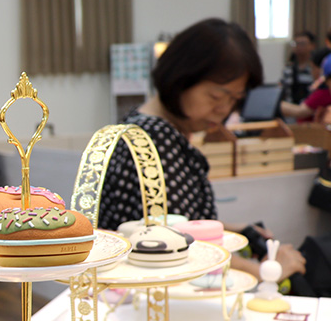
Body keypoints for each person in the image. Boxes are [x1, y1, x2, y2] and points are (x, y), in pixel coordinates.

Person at [99, 18, 306, 282]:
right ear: (180, 78)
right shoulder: (155, 139)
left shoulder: (144, 125)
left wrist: (236, 230)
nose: (224, 109)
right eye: (216, 97)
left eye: (234, 99)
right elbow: (174, 245)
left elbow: (172, 222)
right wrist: (266, 270)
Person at [280, 47, 331, 124]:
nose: (312, 72)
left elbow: (300, 111)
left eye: (313, 68)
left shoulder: (324, 92)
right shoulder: (321, 90)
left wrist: (272, 104)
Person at [280, 31, 317, 104]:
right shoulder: (289, 68)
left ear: (312, 46)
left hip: (310, 108)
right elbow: (283, 88)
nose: (298, 47)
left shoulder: (316, 68)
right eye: (296, 44)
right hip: (290, 108)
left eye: (302, 44)